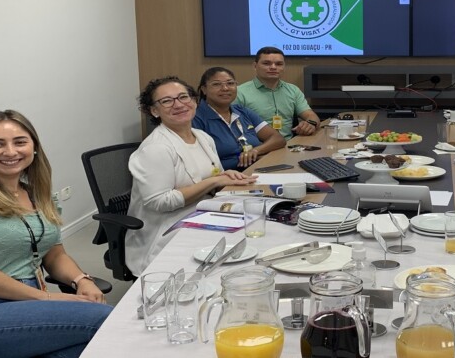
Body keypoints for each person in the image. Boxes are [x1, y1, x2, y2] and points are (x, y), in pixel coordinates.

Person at [0, 110, 111, 357]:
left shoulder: (38, 195)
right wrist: (46, 299)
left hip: (27, 301)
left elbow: (53, 252)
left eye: (20, 142)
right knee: (107, 321)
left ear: (34, 148)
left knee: (91, 349)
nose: (10, 152)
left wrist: (81, 279)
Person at [126, 76, 257, 276]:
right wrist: (213, 181)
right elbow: (160, 202)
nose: (178, 105)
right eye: (167, 101)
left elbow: (212, 177)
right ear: (154, 111)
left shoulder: (202, 137)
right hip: (167, 231)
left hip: (203, 213)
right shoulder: (156, 148)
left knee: (256, 227)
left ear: (195, 101)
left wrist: (224, 176)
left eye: (183, 97)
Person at [193, 67, 285, 171]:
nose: (225, 88)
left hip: (256, 170)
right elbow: (201, 162)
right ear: (204, 89)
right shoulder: (196, 117)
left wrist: (255, 152)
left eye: (230, 83)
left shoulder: (242, 111)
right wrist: (249, 160)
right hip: (226, 178)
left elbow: (277, 139)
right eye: (216, 84)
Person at [236, 46, 321, 140]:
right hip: (258, 148)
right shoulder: (239, 92)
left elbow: (310, 115)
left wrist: (310, 124)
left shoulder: (293, 90)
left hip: (289, 145)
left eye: (279, 64)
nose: (273, 67)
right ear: (255, 66)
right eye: (266, 63)